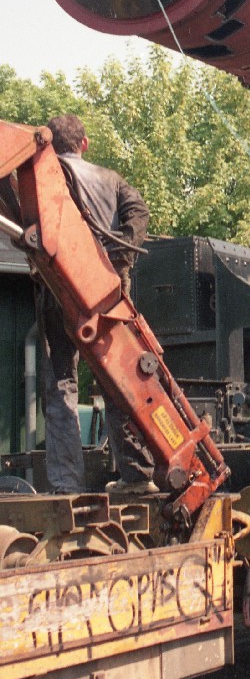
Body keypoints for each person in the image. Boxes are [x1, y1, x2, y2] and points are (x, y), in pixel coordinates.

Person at [36, 113, 155, 494]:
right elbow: (139, 212)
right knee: (118, 380)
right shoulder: (111, 179)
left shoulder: (41, 181)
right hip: (109, 289)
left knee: (60, 385)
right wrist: (118, 260)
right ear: (84, 143)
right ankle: (137, 476)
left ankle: (67, 485)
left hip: (58, 291)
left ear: (49, 146)